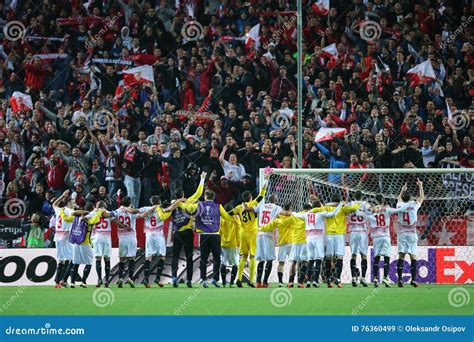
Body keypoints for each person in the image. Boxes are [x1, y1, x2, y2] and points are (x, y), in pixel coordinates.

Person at [182, 190, 232, 288]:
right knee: (217, 258)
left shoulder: (199, 205)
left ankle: (204, 279)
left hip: (204, 235)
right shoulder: (219, 206)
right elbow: (227, 217)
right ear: (213, 197)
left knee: (203, 258)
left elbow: (188, 208)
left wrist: (179, 203)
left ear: (205, 197)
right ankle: (215, 279)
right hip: (215, 235)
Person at [311, 194, 360, 288]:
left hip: (329, 234)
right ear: (339, 201)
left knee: (329, 257)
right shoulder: (342, 208)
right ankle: (338, 279)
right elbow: (355, 207)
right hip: (339, 235)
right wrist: (357, 203)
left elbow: (313, 210)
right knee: (339, 257)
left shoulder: (326, 208)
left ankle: (329, 279)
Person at [228, 174, 269, 287]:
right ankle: (251, 280)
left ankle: (239, 279)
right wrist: (266, 180)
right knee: (252, 257)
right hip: (253, 233)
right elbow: (261, 195)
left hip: (243, 233)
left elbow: (229, 214)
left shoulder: (239, 207)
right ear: (250, 197)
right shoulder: (252, 204)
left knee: (243, 257)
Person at [293, 200, 343, 288]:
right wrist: (340, 205)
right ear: (319, 206)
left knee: (310, 260)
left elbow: (297, 215)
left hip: (308, 239)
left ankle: (308, 281)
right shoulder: (320, 214)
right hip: (318, 239)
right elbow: (333, 214)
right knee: (318, 259)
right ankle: (315, 281)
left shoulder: (306, 214)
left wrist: (292, 212)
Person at [169, 172, 206, 288]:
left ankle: (174, 277)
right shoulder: (188, 201)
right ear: (183, 194)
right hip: (188, 232)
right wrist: (202, 179)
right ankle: (189, 280)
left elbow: (165, 213)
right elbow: (198, 193)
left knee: (175, 256)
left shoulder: (173, 204)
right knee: (189, 256)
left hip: (177, 233)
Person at [139, 196, 184, 287]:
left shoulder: (146, 208)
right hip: (159, 235)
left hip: (149, 235)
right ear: (159, 201)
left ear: (151, 202)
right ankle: (157, 279)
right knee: (162, 256)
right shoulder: (161, 209)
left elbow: (137, 213)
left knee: (148, 257)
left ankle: (146, 280)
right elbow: (171, 207)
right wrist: (180, 200)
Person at [362, 194, 404, 288]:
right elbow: (398, 210)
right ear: (383, 201)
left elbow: (364, 214)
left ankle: (376, 278)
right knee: (386, 257)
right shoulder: (387, 209)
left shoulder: (371, 211)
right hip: (385, 236)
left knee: (376, 257)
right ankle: (385, 277)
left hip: (376, 237)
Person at [91, 201, 130, 288]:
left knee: (98, 258)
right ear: (104, 206)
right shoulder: (109, 213)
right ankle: (107, 280)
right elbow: (116, 221)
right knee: (107, 259)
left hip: (97, 237)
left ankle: (99, 279)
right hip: (107, 238)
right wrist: (124, 226)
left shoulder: (93, 213)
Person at [259, 202, 295, 287]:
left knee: (281, 263)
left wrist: (260, 228)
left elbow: (268, 226)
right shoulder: (293, 218)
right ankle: (291, 281)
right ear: (290, 209)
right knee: (293, 263)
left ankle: (280, 282)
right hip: (291, 242)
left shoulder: (277, 220)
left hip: (282, 243)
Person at [396, 179, 424, 288]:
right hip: (412, 234)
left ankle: (400, 279)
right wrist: (420, 186)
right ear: (410, 198)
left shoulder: (399, 206)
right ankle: (414, 279)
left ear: (402, 198)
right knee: (413, 256)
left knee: (401, 256)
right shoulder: (414, 205)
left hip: (402, 234)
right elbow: (421, 198)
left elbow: (398, 199)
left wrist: (402, 190)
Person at [252, 194, 282, 288]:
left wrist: (244, 205)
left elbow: (251, 209)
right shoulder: (277, 208)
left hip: (259, 233)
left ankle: (257, 282)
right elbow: (282, 215)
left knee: (261, 259)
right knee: (269, 259)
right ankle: (265, 282)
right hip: (269, 234)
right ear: (275, 200)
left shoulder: (261, 206)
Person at [113, 196, 139, 288]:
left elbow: (113, 219)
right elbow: (140, 215)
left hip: (122, 238)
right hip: (132, 237)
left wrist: (122, 226)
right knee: (132, 258)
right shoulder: (131, 211)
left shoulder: (117, 211)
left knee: (122, 259)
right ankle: (130, 278)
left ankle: (120, 277)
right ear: (130, 203)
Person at [347, 190, 371, 287]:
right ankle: (363, 278)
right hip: (362, 232)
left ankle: (353, 277)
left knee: (353, 255)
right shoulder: (365, 204)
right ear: (362, 197)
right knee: (364, 255)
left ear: (354, 197)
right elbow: (371, 211)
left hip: (353, 232)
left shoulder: (350, 205)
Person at [219, 204, 242, 287]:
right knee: (235, 263)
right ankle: (232, 283)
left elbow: (219, 231)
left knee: (223, 262)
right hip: (233, 243)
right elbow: (238, 231)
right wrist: (239, 243)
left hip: (223, 243)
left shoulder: (222, 218)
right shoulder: (236, 218)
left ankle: (224, 282)